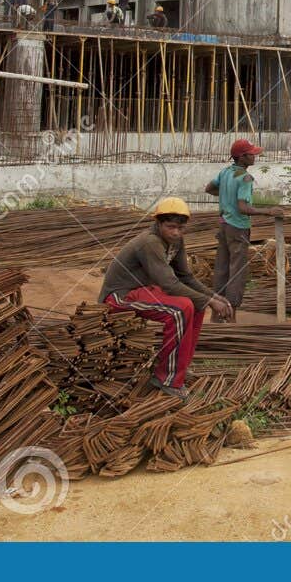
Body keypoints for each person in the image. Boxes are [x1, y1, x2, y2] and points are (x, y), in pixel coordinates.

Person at [98, 197, 231, 398]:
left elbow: (185, 277)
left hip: (144, 290)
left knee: (196, 305)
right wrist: (210, 301)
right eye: (170, 227)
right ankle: (167, 379)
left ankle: (180, 366)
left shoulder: (175, 240)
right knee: (180, 309)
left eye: (180, 228)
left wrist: (213, 297)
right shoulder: (150, 242)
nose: (176, 232)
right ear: (158, 223)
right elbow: (170, 284)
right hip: (120, 296)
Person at [204, 139, 263, 313]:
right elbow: (243, 208)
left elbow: (209, 188)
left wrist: (225, 196)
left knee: (221, 268)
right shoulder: (245, 177)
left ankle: (217, 311)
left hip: (223, 225)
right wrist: (269, 211)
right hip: (238, 228)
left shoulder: (226, 172)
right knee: (237, 271)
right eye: (251, 154)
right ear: (241, 157)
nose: (254, 156)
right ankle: (231, 312)